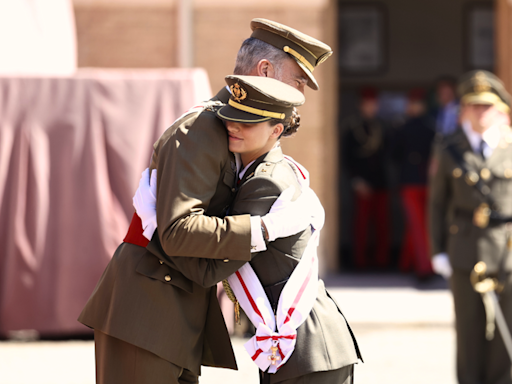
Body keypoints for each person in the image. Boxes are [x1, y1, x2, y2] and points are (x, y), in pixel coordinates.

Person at [78, 18, 334, 384]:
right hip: (147, 309)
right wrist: (264, 229)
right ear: (264, 71)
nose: (301, 96)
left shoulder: (230, 133)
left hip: (175, 304)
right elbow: (179, 231)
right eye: (296, 81)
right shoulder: (204, 129)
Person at [429, 70, 512, 384]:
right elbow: (437, 203)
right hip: (465, 250)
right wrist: (437, 250)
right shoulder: (450, 148)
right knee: (469, 330)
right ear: (463, 109)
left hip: (508, 251)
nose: (480, 112)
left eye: (487, 106)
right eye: (474, 105)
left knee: (507, 328)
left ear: (500, 110)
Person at [342, 87, 391, 269]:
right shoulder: (352, 127)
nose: (371, 107)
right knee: (361, 225)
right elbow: (347, 157)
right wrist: (356, 180)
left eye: (374, 104)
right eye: (368, 104)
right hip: (361, 182)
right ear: (361, 105)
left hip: (380, 181)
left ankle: (382, 261)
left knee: (382, 224)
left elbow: (386, 155)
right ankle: (359, 261)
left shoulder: (382, 126)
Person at [392, 88, 436, 278]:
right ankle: (407, 262)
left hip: (410, 181)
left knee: (417, 226)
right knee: (420, 224)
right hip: (427, 181)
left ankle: (424, 268)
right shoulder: (431, 127)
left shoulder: (402, 127)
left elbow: (394, 155)